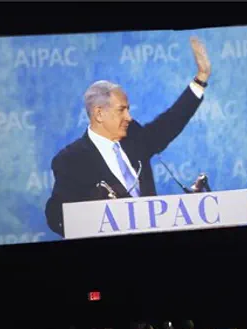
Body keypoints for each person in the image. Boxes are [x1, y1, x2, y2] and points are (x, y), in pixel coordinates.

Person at [44, 37, 212, 236]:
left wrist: (200, 79)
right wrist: (92, 209)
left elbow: (169, 123)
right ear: (99, 114)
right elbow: (56, 217)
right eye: (121, 110)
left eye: (128, 109)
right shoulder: (71, 160)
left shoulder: (133, 136)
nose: (129, 117)